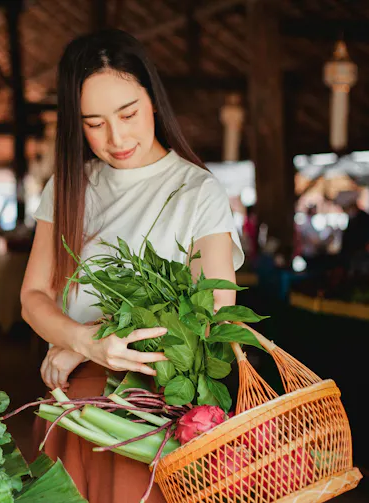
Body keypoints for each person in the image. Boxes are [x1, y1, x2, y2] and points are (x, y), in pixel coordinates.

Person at [20, 29, 244, 503]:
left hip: (151, 411)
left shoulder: (195, 192)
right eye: (94, 123)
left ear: (154, 101)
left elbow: (212, 314)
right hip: (71, 404)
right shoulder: (68, 185)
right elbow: (33, 297)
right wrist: (80, 340)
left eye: (128, 113)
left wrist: (85, 345)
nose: (116, 138)